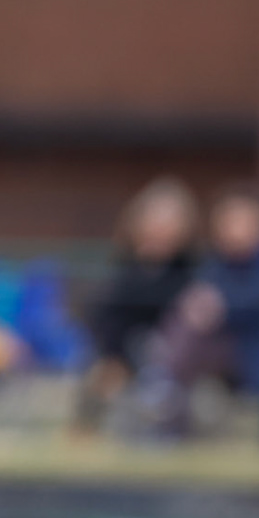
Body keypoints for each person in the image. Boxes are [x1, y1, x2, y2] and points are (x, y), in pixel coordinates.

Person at [145, 188, 259, 438]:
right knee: (186, 324)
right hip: (211, 345)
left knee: (186, 337)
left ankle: (160, 385)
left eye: (241, 222)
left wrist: (220, 306)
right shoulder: (216, 262)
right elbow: (201, 296)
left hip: (255, 351)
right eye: (228, 223)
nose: (234, 230)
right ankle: (164, 390)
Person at [75, 176, 198, 432]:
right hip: (123, 360)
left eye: (169, 221)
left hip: (174, 365)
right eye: (154, 219)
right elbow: (105, 322)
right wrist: (115, 361)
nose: (160, 228)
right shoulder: (122, 272)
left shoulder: (193, 274)